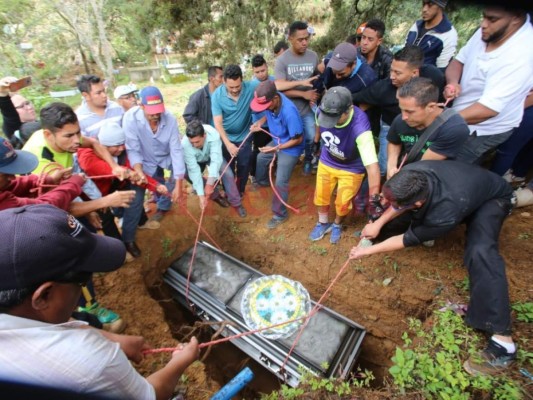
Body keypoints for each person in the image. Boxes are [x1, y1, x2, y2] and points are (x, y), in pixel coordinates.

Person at [0, 204, 199, 399]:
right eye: (83, 280)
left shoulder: (18, 312)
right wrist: (180, 362)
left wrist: (114, 339)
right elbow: (149, 395)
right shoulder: (89, 363)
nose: (86, 285)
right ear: (43, 296)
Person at [349, 161, 517, 376]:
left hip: (493, 199)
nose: (390, 204)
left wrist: (366, 252)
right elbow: (397, 204)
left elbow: (407, 239)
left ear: (418, 202)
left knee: (480, 251)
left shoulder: (445, 211)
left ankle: (503, 342)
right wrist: (378, 224)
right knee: (386, 225)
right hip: (465, 188)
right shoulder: (410, 176)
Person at [22, 102, 133, 333]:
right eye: (69, 136)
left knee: (86, 242)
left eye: (78, 133)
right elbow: (60, 207)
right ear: (48, 135)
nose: (76, 141)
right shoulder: (39, 163)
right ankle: (88, 312)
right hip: (40, 220)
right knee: (70, 262)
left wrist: (113, 166)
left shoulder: (66, 136)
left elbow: (92, 142)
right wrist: (105, 201)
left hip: (64, 199)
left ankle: (87, 298)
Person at [444, 6, 533, 165]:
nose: (483, 24)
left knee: (454, 165)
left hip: (485, 128)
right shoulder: (490, 30)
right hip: (459, 113)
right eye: (483, 17)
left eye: (492, 19)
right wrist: (453, 82)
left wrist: (440, 120)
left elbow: (487, 110)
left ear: (516, 18)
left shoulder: (521, 54)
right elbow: (458, 62)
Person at [78, 121, 166, 259]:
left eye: (122, 144)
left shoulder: (122, 153)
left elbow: (137, 174)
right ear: (103, 145)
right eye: (116, 146)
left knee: (136, 194)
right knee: (106, 219)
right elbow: (99, 168)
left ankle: (134, 231)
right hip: (96, 195)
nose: (121, 148)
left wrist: (155, 185)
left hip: (118, 185)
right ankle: (119, 248)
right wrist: (125, 172)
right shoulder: (87, 155)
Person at [352, 45, 445, 176]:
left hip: (422, 127)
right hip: (389, 125)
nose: (392, 76)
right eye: (391, 71)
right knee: (384, 166)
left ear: (415, 73)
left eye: (398, 73)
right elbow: (357, 96)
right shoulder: (384, 89)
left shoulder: (435, 77)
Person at [310, 87, 381, 244]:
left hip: (351, 169)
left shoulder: (360, 127)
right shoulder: (322, 111)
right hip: (327, 160)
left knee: (343, 202)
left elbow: (372, 167)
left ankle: (337, 224)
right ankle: (322, 223)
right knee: (321, 195)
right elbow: (318, 123)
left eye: (334, 118)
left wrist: (374, 200)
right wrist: (316, 141)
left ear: (348, 110)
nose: (329, 123)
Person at [123, 86, 185, 235]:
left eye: (159, 111)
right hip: (144, 162)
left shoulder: (169, 119)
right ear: (141, 105)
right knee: (137, 197)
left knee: (169, 182)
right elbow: (133, 149)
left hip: (165, 159)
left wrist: (178, 185)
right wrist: (138, 171)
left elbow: (176, 151)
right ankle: (128, 237)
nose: (156, 115)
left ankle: (163, 207)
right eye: (151, 112)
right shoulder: (130, 118)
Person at [386, 77, 469, 179]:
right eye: (401, 110)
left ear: (431, 107)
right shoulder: (402, 120)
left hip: (436, 176)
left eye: (410, 111)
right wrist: (391, 165)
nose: (403, 117)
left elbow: (422, 165)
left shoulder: (454, 128)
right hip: (408, 169)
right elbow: (394, 142)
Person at [250, 80, 304, 229]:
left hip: (290, 147)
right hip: (278, 141)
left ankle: (280, 214)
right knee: (261, 158)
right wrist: (260, 123)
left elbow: (298, 139)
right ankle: (264, 183)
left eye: (265, 106)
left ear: (275, 99)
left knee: (281, 181)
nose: (264, 108)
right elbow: (267, 113)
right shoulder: (271, 100)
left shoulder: (289, 112)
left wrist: (277, 148)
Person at [274, 20, 320, 176]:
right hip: (289, 110)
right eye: (300, 39)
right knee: (289, 138)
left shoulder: (313, 56)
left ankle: (308, 160)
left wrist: (315, 94)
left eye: (307, 38)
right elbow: (279, 88)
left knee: (311, 136)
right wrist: (302, 93)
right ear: (291, 39)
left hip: (307, 108)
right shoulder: (282, 60)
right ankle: (284, 164)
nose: (304, 42)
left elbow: (316, 79)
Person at [211, 64, 260, 196]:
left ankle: (240, 190)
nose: (234, 90)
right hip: (226, 138)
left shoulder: (251, 87)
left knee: (244, 166)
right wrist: (228, 144)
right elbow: (218, 122)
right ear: (224, 81)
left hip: (245, 136)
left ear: (242, 80)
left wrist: (260, 122)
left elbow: (272, 90)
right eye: (230, 87)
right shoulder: (216, 96)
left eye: (237, 86)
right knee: (228, 169)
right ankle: (229, 193)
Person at [182, 120, 247, 217]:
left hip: (213, 157)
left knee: (228, 173)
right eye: (192, 143)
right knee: (186, 173)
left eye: (197, 142)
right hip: (197, 160)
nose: (195, 145)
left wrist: (209, 183)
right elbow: (194, 170)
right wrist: (201, 196)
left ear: (204, 135)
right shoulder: (185, 144)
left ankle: (236, 203)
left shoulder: (213, 134)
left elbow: (215, 160)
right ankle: (216, 196)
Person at [0, 136, 84, 211]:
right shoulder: (4, 203)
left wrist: (49, 179)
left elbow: (14, 184)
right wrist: (73, 184)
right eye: (6, 174)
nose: (13, 178)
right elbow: (43, 208)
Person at [405, 0, 458, 70]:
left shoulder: (448, 35)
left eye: (430, 4)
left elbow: (440, 71)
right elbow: (404, 52)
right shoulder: (416, 26)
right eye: (424, 3)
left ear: (440, 6)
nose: (424, 9)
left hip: (425, 79)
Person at [0, 76, 41, 147]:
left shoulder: (41, 122)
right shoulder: (14, 129)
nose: (29, 107)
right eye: (22, 106)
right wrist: (3, 94)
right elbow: (9, 114)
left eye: (27, 103)